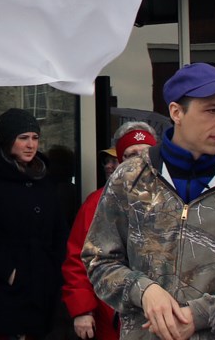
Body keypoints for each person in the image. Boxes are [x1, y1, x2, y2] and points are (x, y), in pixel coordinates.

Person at [82, 62, 215, 340]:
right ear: (176, 112)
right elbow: (99, 260)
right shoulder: (130, 179)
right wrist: (143, 290)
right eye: (212, 110)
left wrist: (200, 315)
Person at [0, 108, 67, 340]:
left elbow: (59, 230)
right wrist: (8, 272)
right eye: (23, 138)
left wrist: (53, 268)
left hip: (41, 285)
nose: (31, 145)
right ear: (7, 140)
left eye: (35, 138)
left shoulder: (45, 177)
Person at [62, 122, 158, 340]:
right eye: (131, 154)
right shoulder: (97, 203)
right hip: (112, 313)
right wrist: (82, 309)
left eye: (145, 152)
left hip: (161, 312)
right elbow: (79, 257)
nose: (139, 159)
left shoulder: (173, 198)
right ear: (120, 160)